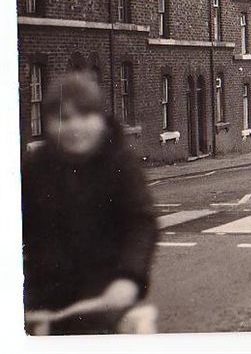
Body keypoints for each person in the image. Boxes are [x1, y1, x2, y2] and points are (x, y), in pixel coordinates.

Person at [21, 72, 158, 335]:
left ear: (100, 119)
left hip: (104, 291)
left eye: (84, 116)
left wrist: (129, 278)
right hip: (47, 296)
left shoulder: (120, 163)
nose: (74, 127)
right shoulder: (36, 168)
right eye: (63, 118)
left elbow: (140, 223)